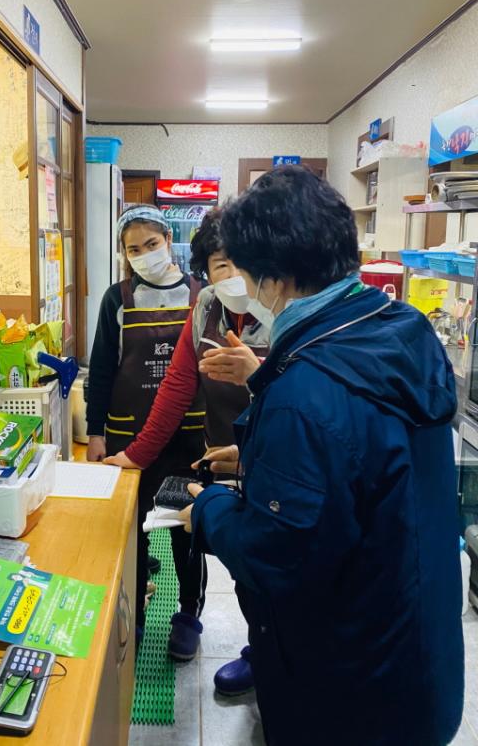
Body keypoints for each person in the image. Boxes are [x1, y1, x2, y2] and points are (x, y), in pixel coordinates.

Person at [182, 166, 464, 746]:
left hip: (349, 691)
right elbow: (365, 465)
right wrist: (260, 458)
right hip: (417, 657)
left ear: (276, 277)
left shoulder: (304, 396)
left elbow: (276, 557)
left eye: (244, 272)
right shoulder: (400, 330)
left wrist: (207, 511)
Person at [106, 208, 268, 666]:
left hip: (278, 454)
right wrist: (137, 454)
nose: (233, 276)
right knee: (236, 553)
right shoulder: (207, 309)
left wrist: (257, 375)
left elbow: (307, 396)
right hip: (224, 451)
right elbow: (177, 385)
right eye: (221, 265)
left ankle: (264, 655)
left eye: (243, 262)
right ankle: (261, 652)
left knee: (269, 561)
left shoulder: (282, 310)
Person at [86, 204, 207, 642]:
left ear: (168, 240)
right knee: (130, 528)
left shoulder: (201, 296)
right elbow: (102, 369)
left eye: (151, 244)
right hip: (128, 437)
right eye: (133, 249)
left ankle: (188, 615)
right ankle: (132, 613)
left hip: (187, 439)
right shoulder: (116, 298)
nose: (143, 254)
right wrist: (95, 433)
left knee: (185, 527)